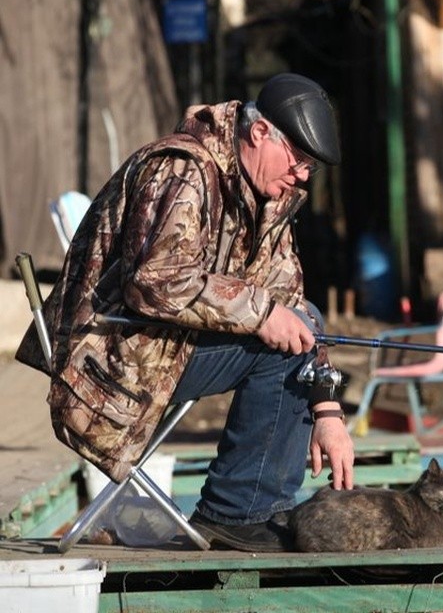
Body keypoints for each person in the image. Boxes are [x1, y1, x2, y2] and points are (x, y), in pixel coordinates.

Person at [16, 73, 355, 552]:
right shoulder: (181, 170)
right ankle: (238, 514)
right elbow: (155, 281)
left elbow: (293, 302)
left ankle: (253, 510)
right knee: (276, 345)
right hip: (104, 360)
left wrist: (327, 406)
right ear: (260, 134)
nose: (302, 176)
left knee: (300, 321)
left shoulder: (269, 195)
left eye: (311, 169)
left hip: (159, 348)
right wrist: (261, 314)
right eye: (298, 161)